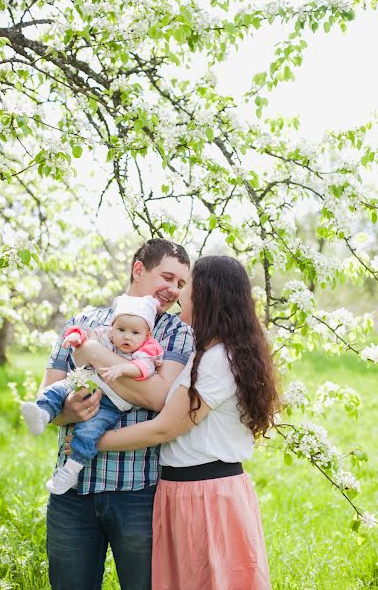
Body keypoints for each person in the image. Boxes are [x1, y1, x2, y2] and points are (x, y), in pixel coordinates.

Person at [72, 255, 279, 590]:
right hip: (184, 492)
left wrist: (92, 441)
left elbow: (165, 427)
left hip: (206, 497)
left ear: (208, 295)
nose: (180, 295)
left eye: (188, 286)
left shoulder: (217, 360)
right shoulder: (207, 351)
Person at [41, 239, 194, 590]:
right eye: (167, 277)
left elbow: (158, 397)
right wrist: (67, 411)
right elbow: (47, 395)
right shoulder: (82, 321)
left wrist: (93, 352)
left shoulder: (176, 334)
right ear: (138, 269)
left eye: (180, 284)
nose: (173, 290)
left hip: (139, 492)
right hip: (72, 491)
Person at [22, 294, 163, 495]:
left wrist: (123, 369)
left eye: (134, 332)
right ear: (112, 327)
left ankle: (71, 470)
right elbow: (87, 337)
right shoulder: (106, 335)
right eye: (121, 329)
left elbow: (144, 368)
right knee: (57, 389)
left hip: (111, 402)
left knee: (89, 431)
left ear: (146, 334)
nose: (127, 336)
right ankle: (42, 414)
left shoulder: (147, 349)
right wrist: (75, 337)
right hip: (86, 381)